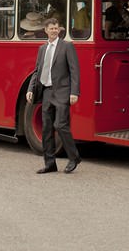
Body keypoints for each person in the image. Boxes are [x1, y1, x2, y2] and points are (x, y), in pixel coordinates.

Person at [26, 17, 81, 174]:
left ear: (59, 30)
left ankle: (74, 157)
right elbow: (37, 71)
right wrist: (30, 89)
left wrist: (74, 92)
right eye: (51, 28)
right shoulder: (42, 49)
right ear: (46, 30)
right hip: (47, 92)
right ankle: (50, 163)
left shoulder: (67, 46)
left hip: (63, 92)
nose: (54, 31)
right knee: (46, 129)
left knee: (61, 125)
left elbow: (74, 71)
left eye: (56, 28)